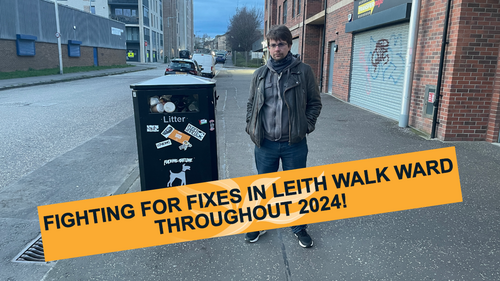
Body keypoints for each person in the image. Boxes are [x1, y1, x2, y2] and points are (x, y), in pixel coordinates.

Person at [245, 25, 322, 248]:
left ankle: (298, 227)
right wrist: (251, 127)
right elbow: (251, 104)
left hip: (294, 144)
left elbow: (315, 103)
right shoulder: (259, 75)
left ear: (289, 45)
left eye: (280, 44)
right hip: (265, 143)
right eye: (272, 45)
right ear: (268, 48)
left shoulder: (304, 71)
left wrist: (305, 126)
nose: (276, 48)